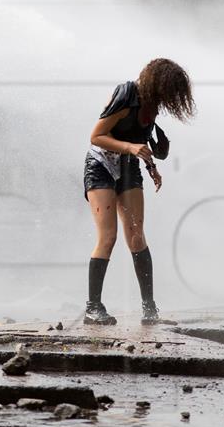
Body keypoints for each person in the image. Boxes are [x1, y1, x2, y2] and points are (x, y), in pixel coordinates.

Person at [83, 58, 195, 325]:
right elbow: (96, 136)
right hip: (101, 164)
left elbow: (139, 140)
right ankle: (93, 307)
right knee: (108, 236)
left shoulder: (152, 105)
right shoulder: (128, 93)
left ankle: (149, 309)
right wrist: (131, 148)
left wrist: (151, 166)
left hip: (130, 165)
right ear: (159, 84)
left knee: (136, 234)